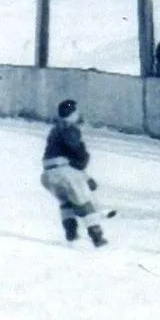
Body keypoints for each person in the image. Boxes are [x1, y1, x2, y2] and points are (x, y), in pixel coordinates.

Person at [40, 99, 107, 247]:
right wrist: (83, 158)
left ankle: (71, 232)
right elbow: (76, 153)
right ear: (72, 113)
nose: (78, 114)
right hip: (63, 172)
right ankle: (97, 237)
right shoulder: (69, 128)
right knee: (84, 202)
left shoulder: (55, 129)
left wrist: (84, 176)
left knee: (67, 202)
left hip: (48, 175)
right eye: (76, 111)